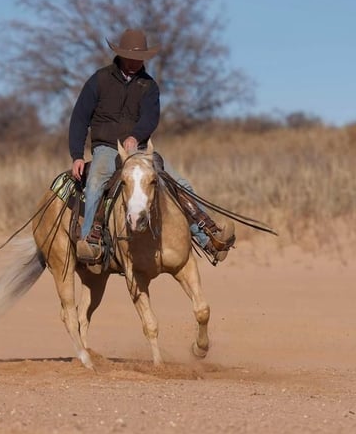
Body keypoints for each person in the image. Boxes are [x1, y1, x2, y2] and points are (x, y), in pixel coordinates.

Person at [68, 28, 235, 264]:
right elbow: (79, 118)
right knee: (95, 182)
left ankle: (208, 237)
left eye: (140, 58)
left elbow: (150, 117)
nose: (136, 62)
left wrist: (136, 136)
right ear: (120, 55)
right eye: (131, 57)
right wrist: (76, 154)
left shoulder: (149, 86)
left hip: (139, 150)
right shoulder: (99, 80)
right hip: (106, 148)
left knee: (181, 183)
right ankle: (90, 242)